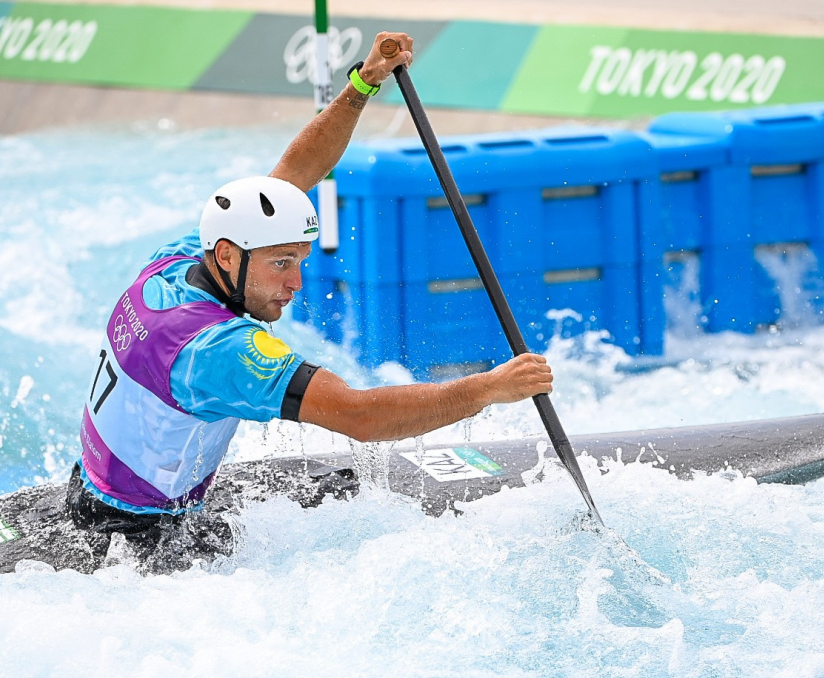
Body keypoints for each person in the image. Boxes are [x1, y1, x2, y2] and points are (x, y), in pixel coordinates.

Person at [65, 32, 554, 571]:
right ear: (229, 256)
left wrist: (363, 84)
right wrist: (488, 388)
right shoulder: (216, 350)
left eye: (299, 260)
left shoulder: (179, 261)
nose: (296, 284)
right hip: (144, 545)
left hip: (93, 488)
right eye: (282, 264)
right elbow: (359, 417)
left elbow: (290, 178)